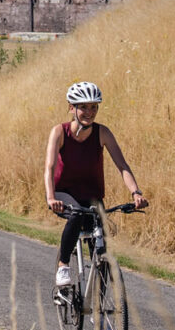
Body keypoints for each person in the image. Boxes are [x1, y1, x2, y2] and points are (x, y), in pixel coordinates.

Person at [45, 81, 147, 289]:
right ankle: (63, 265)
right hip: (64, 193)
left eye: (94, 107)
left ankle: (98, 307)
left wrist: (135, 192)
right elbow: (49, 166)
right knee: (75, 216)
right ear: (71, 107)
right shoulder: (59, 132)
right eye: (83, 107)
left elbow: (122, 165)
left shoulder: (102, 133)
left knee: (100, 248)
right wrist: (51, 197)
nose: (89, 112)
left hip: (91, 196)